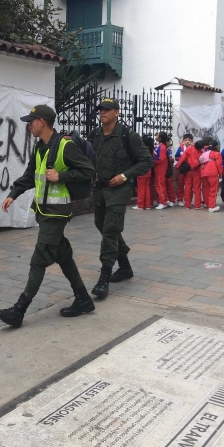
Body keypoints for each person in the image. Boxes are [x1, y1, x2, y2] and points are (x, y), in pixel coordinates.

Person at [0, 105, 96, 328]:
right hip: (43, 211)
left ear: (42, 122)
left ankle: (18, 310)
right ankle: (83, 299)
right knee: (63, 255)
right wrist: (13, 194)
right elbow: (31, 175)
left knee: (39, 259)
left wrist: (62, 175)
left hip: (56, 213)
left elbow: (88, 170)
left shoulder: (65, 145)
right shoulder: (40, 147)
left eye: (31, 121)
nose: (28, 124)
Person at [89, 98, 153, 298]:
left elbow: (146, 161)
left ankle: (104, 278)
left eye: (107, 109)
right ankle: (125, 266)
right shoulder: (94, 135)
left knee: (110, 230)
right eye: (100, 109)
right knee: (103, 225)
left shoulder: (128, 135)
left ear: (116, 112)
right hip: (99, 190)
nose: (102, 112)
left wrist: (125, 176)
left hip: (118, 190)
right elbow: (84, 157)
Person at [176, 136, 202, 209]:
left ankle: (187, 204)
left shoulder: (188, 149)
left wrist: (178, 166)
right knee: (197, 188)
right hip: (197, 171)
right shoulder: (200, 151)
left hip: (188, 171)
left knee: (187, 187)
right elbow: (202, 161)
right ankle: (197, 205)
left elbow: (182, 158)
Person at [134, 135, 155, 210]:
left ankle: (140, 205)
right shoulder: (151, 150)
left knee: (141, 189)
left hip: (141, 171)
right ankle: (147, 204)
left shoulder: (141, 150)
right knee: (147, 188)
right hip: (148, 171)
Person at [200, 140, 221, 212]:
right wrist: (221, 174)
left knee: (205, 189)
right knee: (213, 189)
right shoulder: (217, 153)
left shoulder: (203, 152)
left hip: (203, 172)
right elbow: (219, 164)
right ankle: (211, 206)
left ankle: (207, 203)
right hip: (212, 172)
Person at [153, 131, 170, 209]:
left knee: (160, 185)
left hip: (160, 168)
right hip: (158, 168)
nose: (156, 136)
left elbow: (161, 158)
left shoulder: (162, 146)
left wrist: (153, 162)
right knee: (159, 185)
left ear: (160, 138)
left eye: (157, 135)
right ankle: (162, 200)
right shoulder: (160, 145)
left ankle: (163, 202)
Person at [174, 134, 192, 206]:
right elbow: (176, 157)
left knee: (189, 185)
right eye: (186, 140)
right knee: (181, 184)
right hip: (182, 168)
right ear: (183, 141)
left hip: (190, 169)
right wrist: (182, 158)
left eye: (189, 140)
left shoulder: (193, 148)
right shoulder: (180, 148)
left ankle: (188, 200)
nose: (187, 141)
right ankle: (180, 199)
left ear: (191, 141)